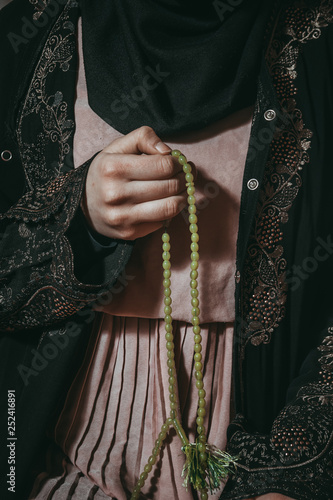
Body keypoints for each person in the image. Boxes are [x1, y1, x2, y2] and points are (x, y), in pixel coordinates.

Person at [0, 0, 332, 499]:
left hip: (249, 462)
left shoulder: (320, 43)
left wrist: (290, 474)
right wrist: (77, 219)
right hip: (54, 457)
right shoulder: (26, 35)